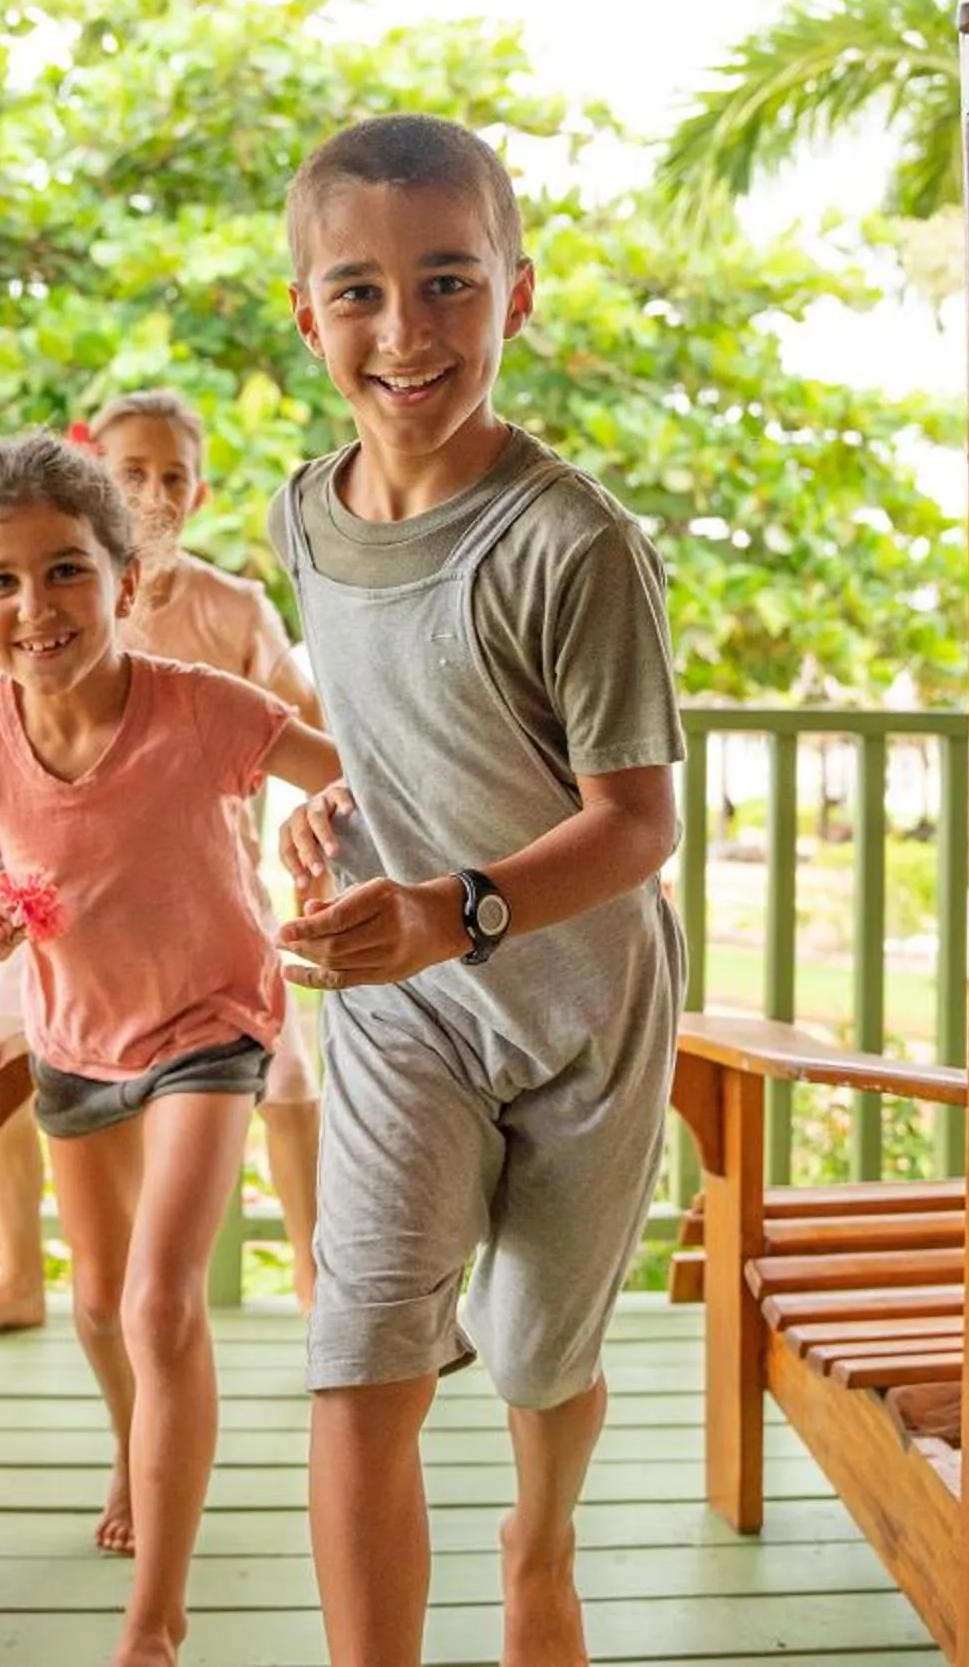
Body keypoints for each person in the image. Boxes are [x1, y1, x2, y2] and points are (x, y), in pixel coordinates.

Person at [268, 113, 687, 1667]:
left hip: (583, 1011)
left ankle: (540, 1544)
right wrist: (337, 805)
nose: (406, 329)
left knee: (533, 1356)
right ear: (308, 315)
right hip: (401, 1014)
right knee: (360, 1352)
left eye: (448, 282)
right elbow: (393, 722)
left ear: (517, 297)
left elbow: (636, 824)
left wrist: (454, 906)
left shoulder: (574, 544)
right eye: (361, 291)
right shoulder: (301, 515)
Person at [0, 432, 341, 1662]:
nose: (34, 606)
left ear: (127, 583)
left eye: (66, 572)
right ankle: (134, 1447)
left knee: (158, 1300)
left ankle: (156, 1617)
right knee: (98, 1303)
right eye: (1, 582)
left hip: (213, 1015)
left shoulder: (204, 707)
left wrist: (330, 825)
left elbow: (340, 774)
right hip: (74, 1029)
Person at [0, 390, 330, 1339]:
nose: (154, 491)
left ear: (196, 496)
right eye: (133, 472)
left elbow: (309, 732)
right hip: (53, 922)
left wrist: (317, 806)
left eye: (173, 476)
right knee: (3, 1079)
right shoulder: (37, 597)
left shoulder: (228, 610)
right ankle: (18, 1274)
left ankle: (317, 1290)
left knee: (286, 1086)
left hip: (201, 921)